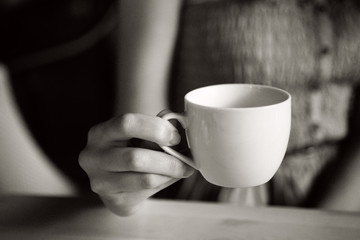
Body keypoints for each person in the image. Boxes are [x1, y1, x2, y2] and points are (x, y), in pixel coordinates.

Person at [79, 0, 360, 216]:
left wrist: (326, 221)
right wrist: (128, 181)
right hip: (209, 201)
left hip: (343, 193)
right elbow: (142, 129)